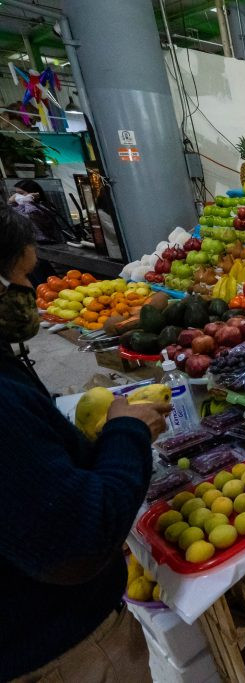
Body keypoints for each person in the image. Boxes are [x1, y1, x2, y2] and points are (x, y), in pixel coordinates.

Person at [0, 207, 170, 682]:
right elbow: (80, 541)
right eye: (21, 277)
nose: (29, 292)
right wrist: (125, 434)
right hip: (56, 653)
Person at [7, 179, 70, 245]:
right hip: (30, 243)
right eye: (15, 193)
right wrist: (11, 202)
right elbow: (14, 217)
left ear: (33, 193)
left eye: (21, 193)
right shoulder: (21, 206)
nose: (16, 196)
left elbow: (27, 218)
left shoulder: (43, 206)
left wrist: (28, 200)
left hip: (46, 243)